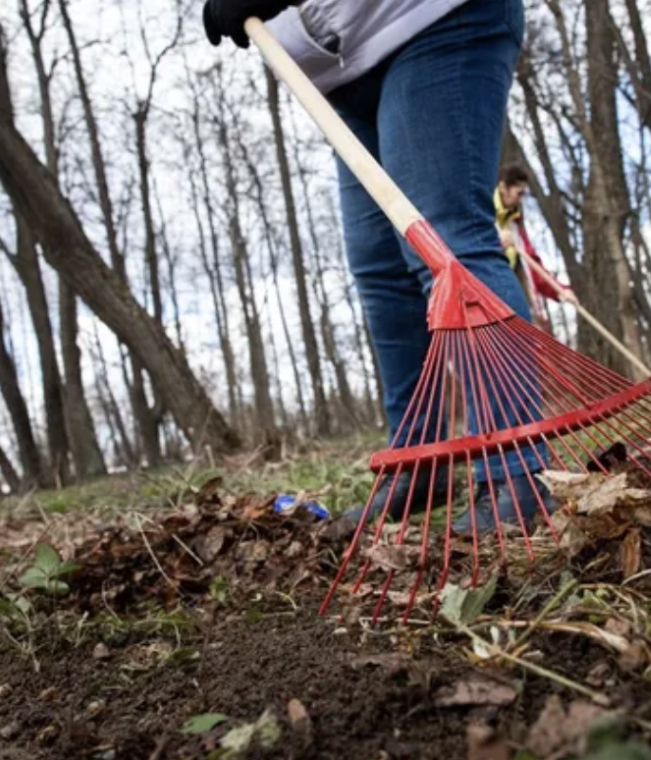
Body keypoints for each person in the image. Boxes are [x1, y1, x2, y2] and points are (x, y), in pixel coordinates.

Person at [203, 0, 554, 533]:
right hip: (340, 67)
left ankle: (516, 471)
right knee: (381, 268)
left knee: (448, 240)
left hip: (428, 19)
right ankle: (420, 461)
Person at [494, 164, 577, 329]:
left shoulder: (515, 225)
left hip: (514, 302)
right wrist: (497, 244)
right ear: (503, 187)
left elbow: (533, 267)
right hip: (490, 303)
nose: (521, 199)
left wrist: (560, 290)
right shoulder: (482, 214)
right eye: (519, 192)